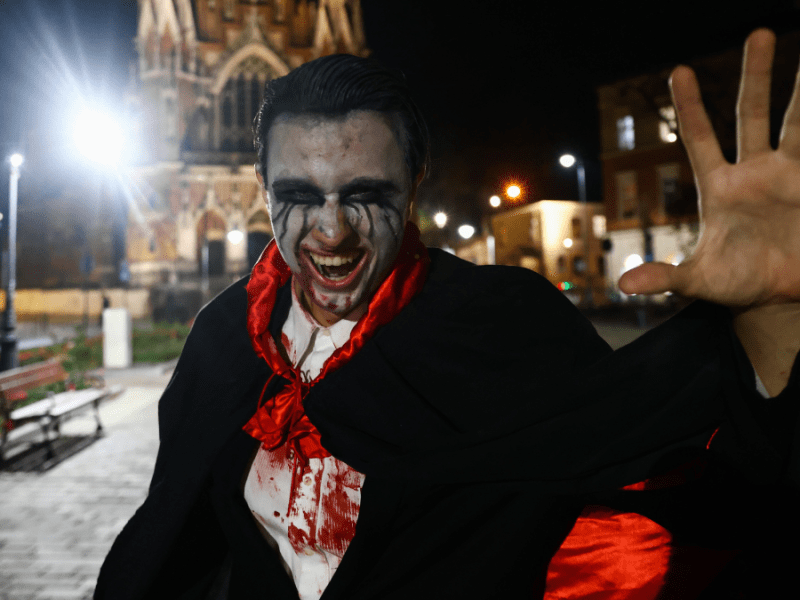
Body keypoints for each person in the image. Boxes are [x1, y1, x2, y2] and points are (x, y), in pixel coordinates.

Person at [95, 28, 800, 599]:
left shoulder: (502, 322)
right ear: (261, 187)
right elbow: (178, 538)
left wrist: (772, 314)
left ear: (415, 181)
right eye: (299, 194)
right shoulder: (226, 337)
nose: (331, 232)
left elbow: (701, 482)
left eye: (366, 192)